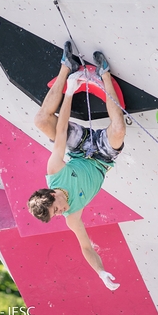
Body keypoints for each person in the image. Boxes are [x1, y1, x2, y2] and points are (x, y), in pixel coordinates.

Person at [27, 41, 126, 291]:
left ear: (51, 194)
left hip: (80, 148)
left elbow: (60, 131)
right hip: (103, 158)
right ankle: (105, 73)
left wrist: (70, 91)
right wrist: (101, 272)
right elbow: (86, 247)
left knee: (41, 120)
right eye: (57, 215)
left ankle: (66, 67)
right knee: (119, 130)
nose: (60, 213)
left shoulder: (54, 173)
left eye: (55, 210)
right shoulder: (73, 216)